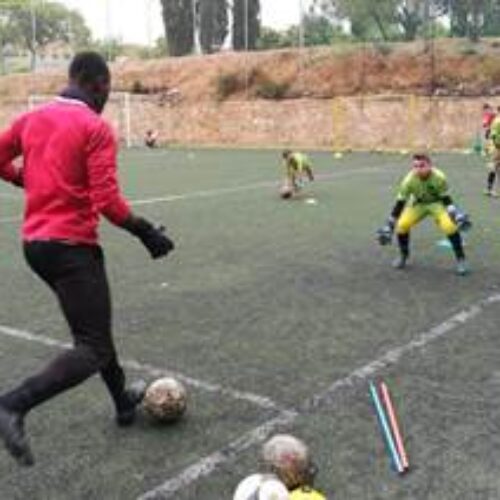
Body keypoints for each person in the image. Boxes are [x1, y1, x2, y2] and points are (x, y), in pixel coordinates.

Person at [0, 51, 174, 466]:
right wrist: (147, 232)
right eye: (105, 91)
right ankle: (11, 405)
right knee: (92, 346)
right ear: (96, 83)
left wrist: (26, 178)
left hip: (35, 246)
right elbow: (108, 202)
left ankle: (123, 403)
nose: (105, 98)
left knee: (94, 330)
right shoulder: (94, 127)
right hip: (70, 248)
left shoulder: (32, 119)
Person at [377, 154, 470, 276]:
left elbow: (446, 198)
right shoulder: (408, 180)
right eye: (415, 166)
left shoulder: (439, 177)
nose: (418, 169)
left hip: (437, 204)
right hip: (418, 204)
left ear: (430, 166)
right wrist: (390, 223)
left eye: (422, 166)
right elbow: (400, 203)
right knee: (402, 225)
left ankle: (461, 259)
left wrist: (454, 213)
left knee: (449, 226)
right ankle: (403, 255)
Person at [482, 104, 498, 196]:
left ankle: (489, 188)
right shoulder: (496, 121)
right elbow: (492, 135)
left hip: (495, 146)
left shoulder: (495, 118)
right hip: (496, 147)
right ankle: (489, 189)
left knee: (494, 168)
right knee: (494, 168)